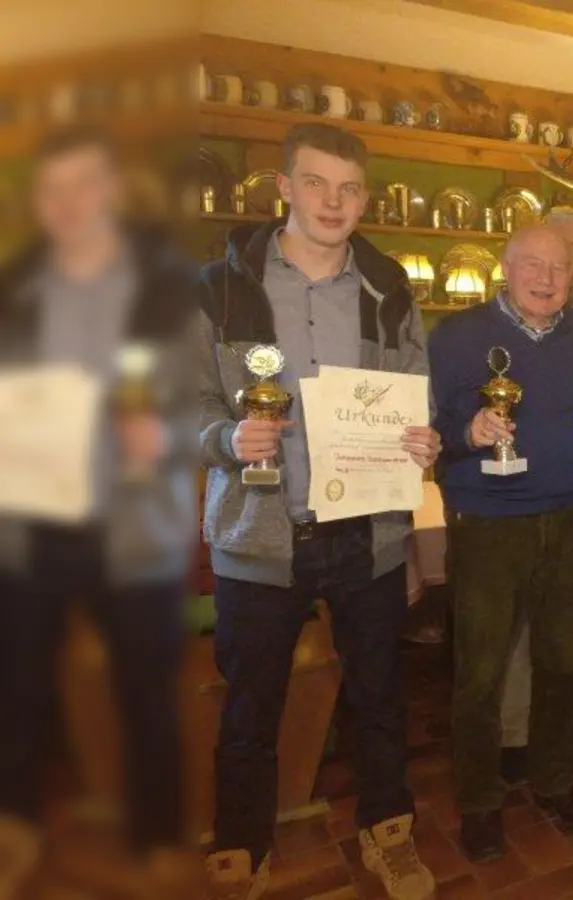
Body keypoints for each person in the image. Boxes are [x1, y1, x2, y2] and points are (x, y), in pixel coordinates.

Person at [197, 123, 440, 899]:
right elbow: (175, 408)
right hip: (260, 536)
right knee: (251, 708)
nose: (333, 202)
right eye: (316, 183)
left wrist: (421, 436)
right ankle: (242, 845)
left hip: (368, 533)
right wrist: (226, 434)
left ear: (365, 196)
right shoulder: (218, 286)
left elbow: (414, 385)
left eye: (349, 188)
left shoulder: (389, 284)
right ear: (284, 187)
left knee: (378, 698)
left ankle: (388, 832)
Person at [0, 128, 198, 898]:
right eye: (54, 191)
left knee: (149, 691)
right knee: (14, 685)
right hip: (31, 519)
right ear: (38, 204)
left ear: (114, 190)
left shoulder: (167, 285)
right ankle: (14, 825)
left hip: (132, 526)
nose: (69, 204)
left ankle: (157, 836)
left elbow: (201, 404)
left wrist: (168, 433)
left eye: (85, 185)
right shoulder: (15, 285)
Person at [429, 225, 573, 859]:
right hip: (488, 523)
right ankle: (480, 800)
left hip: (572, 516)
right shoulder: (456, 335)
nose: (545, 277)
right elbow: (423, 428)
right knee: (480, 672)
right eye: (531, 263)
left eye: (558, 267)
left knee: (563, 664)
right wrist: (465, 430)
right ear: (505, 268)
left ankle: (554, 781)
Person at [499, 207, 573, 777]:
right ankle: (517, 731)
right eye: (570, 254)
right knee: (521, 623)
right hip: (514, 502)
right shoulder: (496, 330)